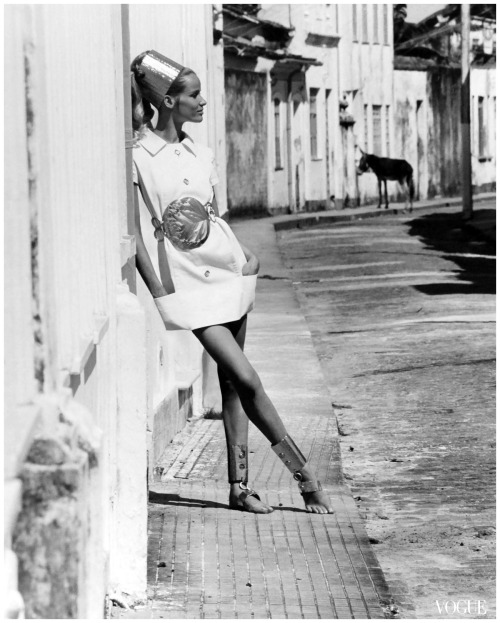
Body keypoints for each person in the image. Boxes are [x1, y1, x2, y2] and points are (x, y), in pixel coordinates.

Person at [130, 50, 333, 514]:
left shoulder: (201, 152)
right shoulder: (138, 155)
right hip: (186, 286)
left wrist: (246, 256)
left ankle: (239, 489)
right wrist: (158, 288)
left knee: (231, 386)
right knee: (248, 377)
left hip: (229, 274)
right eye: (194, 94)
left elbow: (215, 215)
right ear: (165, 99)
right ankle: (306, 477)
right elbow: (136, 233)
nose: (203, 102)